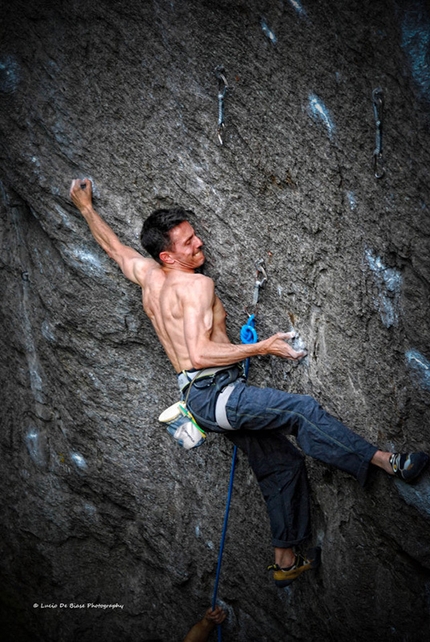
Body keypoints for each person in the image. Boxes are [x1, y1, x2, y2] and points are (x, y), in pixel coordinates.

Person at [70, 179, 429, 588]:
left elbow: (115, 250)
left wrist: (85, 208)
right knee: (301, 411)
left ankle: (285, 560)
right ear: (168, 255)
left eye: (195, 235)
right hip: (217, 392)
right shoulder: (197, 285)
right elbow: (201, 353)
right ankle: (387, 462)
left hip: (199, 402)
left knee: (281, 465)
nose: (199, 243)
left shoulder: (151, 278)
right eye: (189, 242)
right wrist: (264, 347)